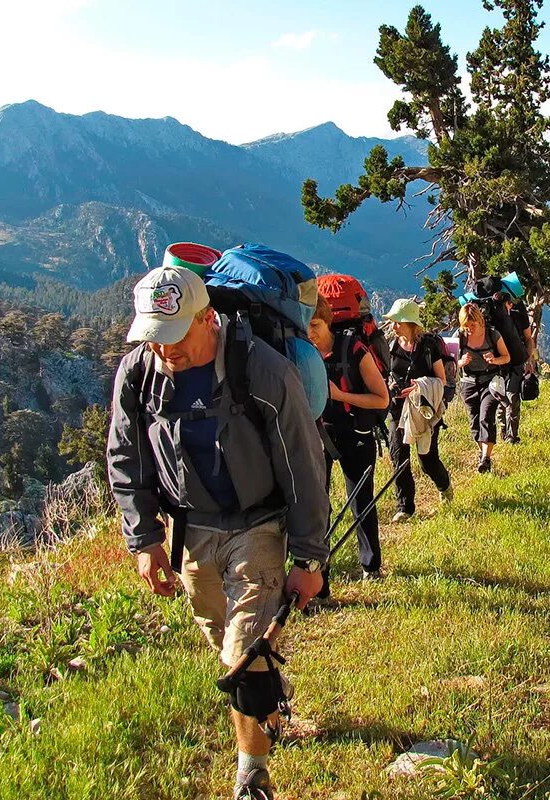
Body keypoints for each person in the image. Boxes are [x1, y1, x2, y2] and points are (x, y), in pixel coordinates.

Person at [106, 264, 329, 800]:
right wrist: (144, 539)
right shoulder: (139, 372)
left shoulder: (263, 370)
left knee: (242, 655)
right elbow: (124, 455)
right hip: (191, 531)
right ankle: (269, 697)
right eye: (154, 338)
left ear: (207, 318)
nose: (165, 351)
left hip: (258, 526)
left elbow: (303, 462)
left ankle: (251, 773)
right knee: (218, 635)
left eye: (175, 335)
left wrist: (310, 559)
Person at [308, 296, 390, 580]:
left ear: (327, 321)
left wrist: (341, 396)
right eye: (305, 325)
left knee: (361, 499)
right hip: (317, 433)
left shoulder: (353, 349)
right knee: (318, 506)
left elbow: (382, 399)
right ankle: (319, 578)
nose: (311, 332)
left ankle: (371, 567)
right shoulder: (303, 352)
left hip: (355, 432)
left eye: (315, 324)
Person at [382, 298, 454, 523]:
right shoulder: (390, 346)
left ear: (411, 324)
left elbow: (441, 380)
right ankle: (405, 507)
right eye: (393, 322)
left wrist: (418, 386)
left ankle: (444, 485)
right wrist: (391, 388)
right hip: (397, 410)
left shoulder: (428, 347)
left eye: (398, 322)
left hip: (424, 410)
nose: (394, 327)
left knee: (427, 459)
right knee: (398, 456)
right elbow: (383, 374)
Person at [457, 302, 510, 473]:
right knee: (474, 423)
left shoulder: (493, 335)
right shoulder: (459, 336)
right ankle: (483, 455)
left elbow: (506, 357)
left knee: (485, 416)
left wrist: (494, 360)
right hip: (469, 383)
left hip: (490, 381)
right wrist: (460, 362)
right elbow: (449, 364)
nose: (469, 329)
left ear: (479, 320)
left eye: (472, 325)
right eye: (466, 325)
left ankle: (486, 458)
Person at [498, 294, 536, 444]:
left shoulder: (519, 316)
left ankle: (511, 436)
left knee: (512, 399)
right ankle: (504, 432)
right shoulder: (493, 319)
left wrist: (528, 359)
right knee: (502, 399)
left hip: (516, 363)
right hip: (499, 364)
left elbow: (528, 339)